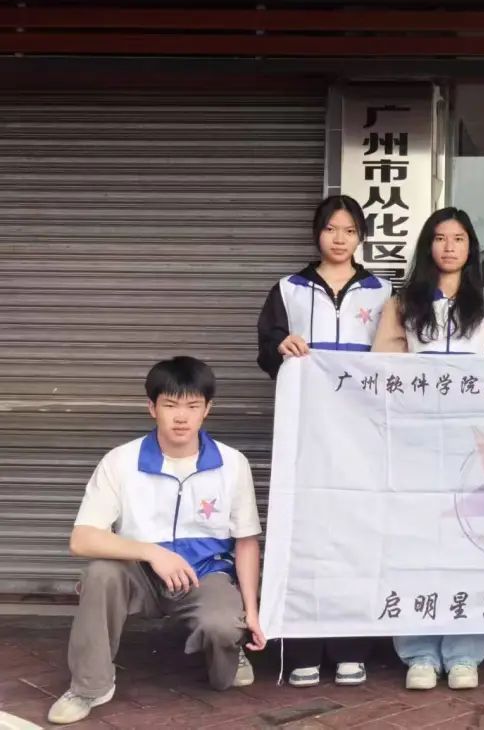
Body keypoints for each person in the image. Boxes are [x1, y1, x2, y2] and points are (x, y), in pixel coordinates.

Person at [47, 358, 265, 725]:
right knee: (100, 573)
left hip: (205, 574)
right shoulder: (121, 461)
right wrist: (151, 552)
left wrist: (252, 613)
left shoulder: (232, 464)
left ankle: (231, 648)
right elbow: (81, 539)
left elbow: (246, 541)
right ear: (152, 408)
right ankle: (89, 686)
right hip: (139, 574)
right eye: (170, 405)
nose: (181, 417)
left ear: (207, 409)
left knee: (222, 635)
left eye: (192, 406)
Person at [372, 207, 484, 690]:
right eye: (440, 238)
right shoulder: (401, 304)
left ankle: (464, 653)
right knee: (414, 544)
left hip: (474, 449)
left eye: (458, 239)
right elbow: (384, 370)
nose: (449, 247)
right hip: (415, 444)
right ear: (427, 246)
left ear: (470, 247)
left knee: (472, 547)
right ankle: (417, 652)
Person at [256, 194, 392, 687]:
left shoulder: (382, 292)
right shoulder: (289, 289)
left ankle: (351, 648)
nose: (340, 239)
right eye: (332, 229)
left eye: (350, 230)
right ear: (317, 233)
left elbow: (395, 360)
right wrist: (281, 346)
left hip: (362, 437)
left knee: (356, 535)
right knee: (306, 535)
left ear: (361, 237)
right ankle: (302, 649)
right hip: (306, 434)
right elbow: (266, 350)